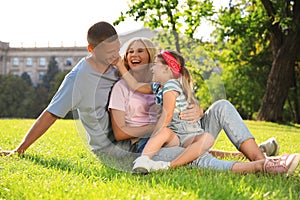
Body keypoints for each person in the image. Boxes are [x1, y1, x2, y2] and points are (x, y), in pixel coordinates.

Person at [1, 22, 298, 175]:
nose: (117, 57)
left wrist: (192, 104)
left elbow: (161, 85)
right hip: (120, 149)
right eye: (109, 52)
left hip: (156, 135)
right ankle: (260, 165)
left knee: (212, 114)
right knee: (186, 157)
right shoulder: (79, 80)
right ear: (90, 50)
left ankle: (260, 158)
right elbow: (50, 113)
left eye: (118, 49)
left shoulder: (121, 69)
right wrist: (20, 149)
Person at [114, 40, 300, 174]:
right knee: (196, 155)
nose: (134, 55)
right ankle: (262, 166)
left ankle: (258, 156)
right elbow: (121, 132)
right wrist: (119, 67)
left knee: (221, 106)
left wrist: (198, 109)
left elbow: (180, 103)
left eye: (141, 52)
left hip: (183, 132)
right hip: (158, 140)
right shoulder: (123, 87)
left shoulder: (163, 83)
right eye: (130, 51)